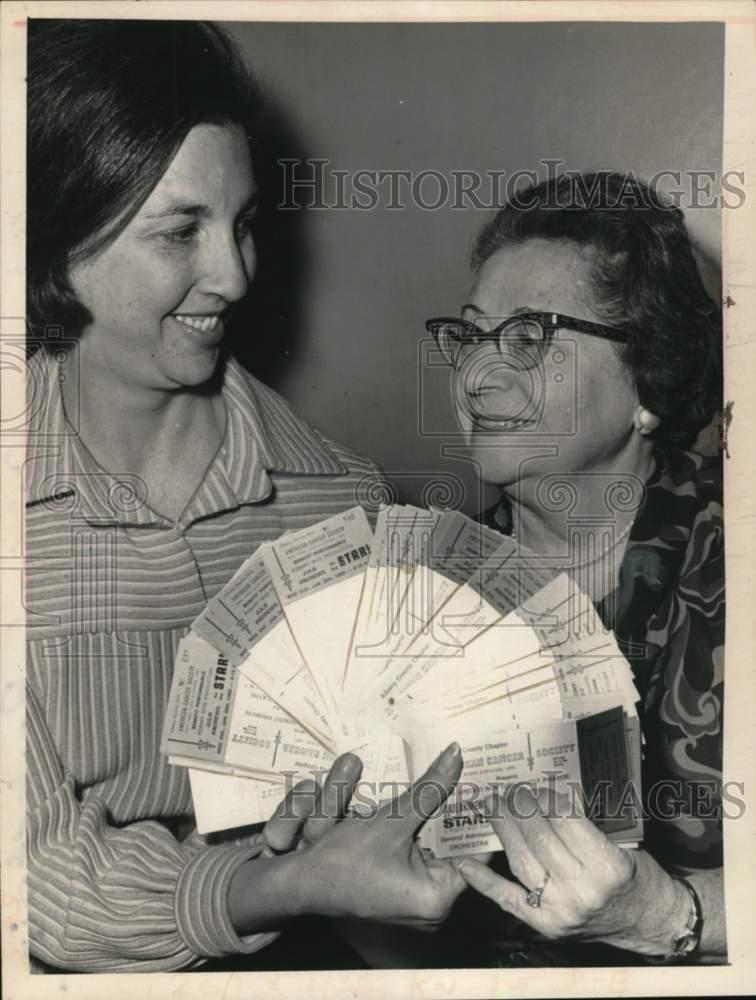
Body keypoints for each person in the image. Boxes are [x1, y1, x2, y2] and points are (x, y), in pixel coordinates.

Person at [24, 19, 467, 973]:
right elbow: (34, 878)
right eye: (181, 231)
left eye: (244, 223)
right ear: (55, 243)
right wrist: (274, 886)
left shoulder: (342, 499)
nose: (234, 275)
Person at [424, 172, 725, 964]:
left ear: (649, 380)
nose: (477, 374)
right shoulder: (421, 591)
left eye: (529, 336)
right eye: (471, 335)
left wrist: (666, 913)